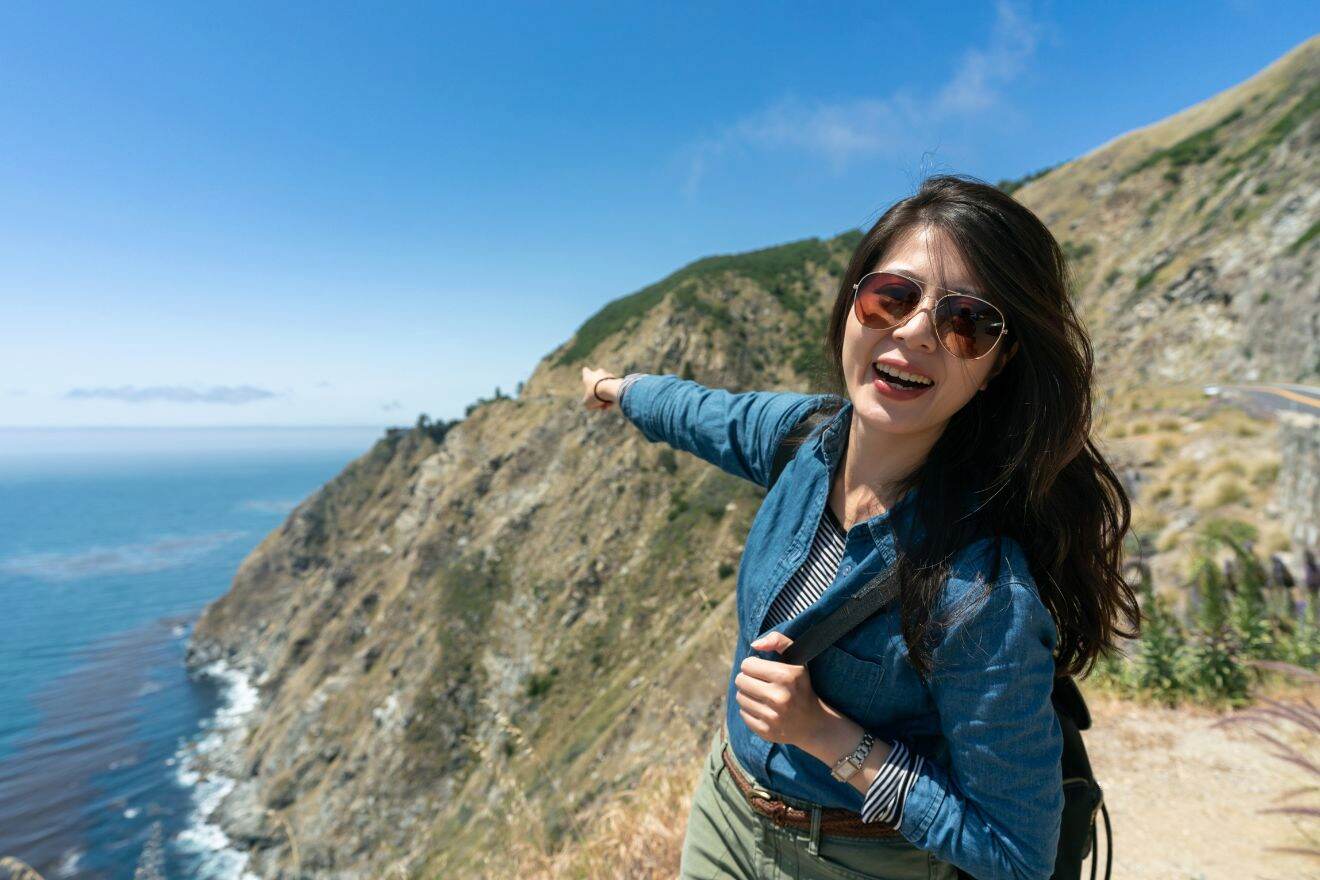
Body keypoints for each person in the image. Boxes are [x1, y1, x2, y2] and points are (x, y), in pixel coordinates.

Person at [580, 173, 1140, 880]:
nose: (913, 331)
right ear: (853, 304)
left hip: (857, 859)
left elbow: (1016, 855)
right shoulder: (806, 440)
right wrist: (616, 389)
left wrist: (830, 738)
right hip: (725, 812)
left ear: (998, 365)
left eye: (966, 321)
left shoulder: (981, 592)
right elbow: (701, 413)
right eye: (892, 297)